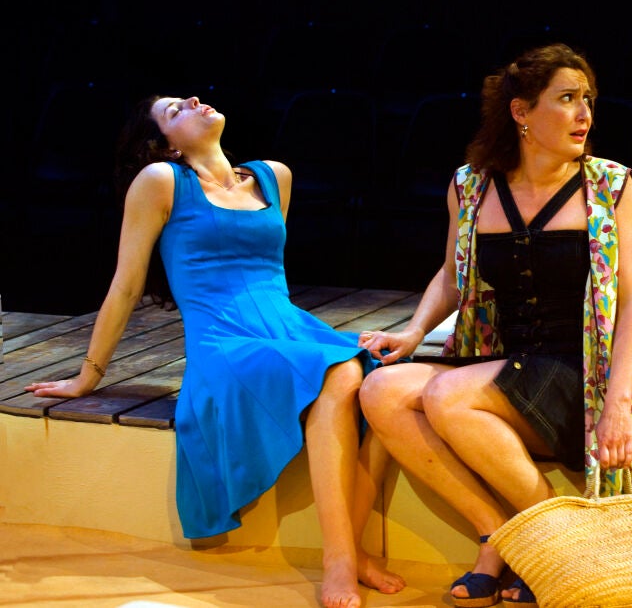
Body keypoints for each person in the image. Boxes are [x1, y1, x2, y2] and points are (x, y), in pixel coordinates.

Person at [24, 95, 405, 608]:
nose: (194, 101)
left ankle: (351, 550)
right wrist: (87, 376)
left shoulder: (274, 175)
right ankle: (342, 559)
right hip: (223, 344)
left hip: (287, 328)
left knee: (383, 378)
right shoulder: (161, 181)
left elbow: (268, 271)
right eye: (174, 111)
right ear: (165, 146)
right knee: (339, 373)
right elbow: (126, 284)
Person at [356, 43, 632, 607]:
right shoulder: (471, 186)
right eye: (567, 99)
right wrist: (414, 332)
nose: (585, 114)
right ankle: (500, 534)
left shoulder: (610, 186)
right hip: (503, 365)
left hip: (577, 375)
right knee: (381, 390)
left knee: (448, 395)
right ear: (521, 112)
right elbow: (453, 272)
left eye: (588, 99)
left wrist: (617, 405)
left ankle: (555, 542)